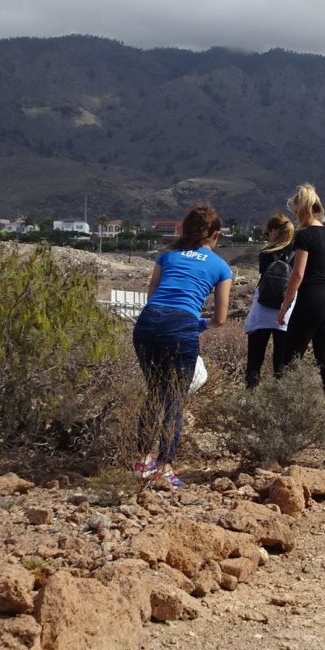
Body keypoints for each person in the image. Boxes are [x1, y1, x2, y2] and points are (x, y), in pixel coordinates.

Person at [132, 203, 232, 487]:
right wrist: (199, 324)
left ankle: (142, 460)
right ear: (216, 234)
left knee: (155, 392)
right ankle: (165, 468)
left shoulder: (167, 255)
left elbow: (152, 294)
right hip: (181, 326)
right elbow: (221, 318)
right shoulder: (221, 267)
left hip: (148, 323)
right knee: (174, 397)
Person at [273, 184, 325, 395]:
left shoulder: (304, 236)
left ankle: (281, 405)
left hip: (312, 298)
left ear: (302, 210)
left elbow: (298, 274)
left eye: (295, 211)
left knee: (290, 357)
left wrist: (285, 306)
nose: (295, 216)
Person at [244, 213, 295, 388]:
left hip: (263, 307)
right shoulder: (297, 252)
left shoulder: (265, 253)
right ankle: (279, 395)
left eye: (268, 233)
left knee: (255, 357)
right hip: (286, 309)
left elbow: (263, 276)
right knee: (281, 360)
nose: (267, 236)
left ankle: (251, 391)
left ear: (274, 231)